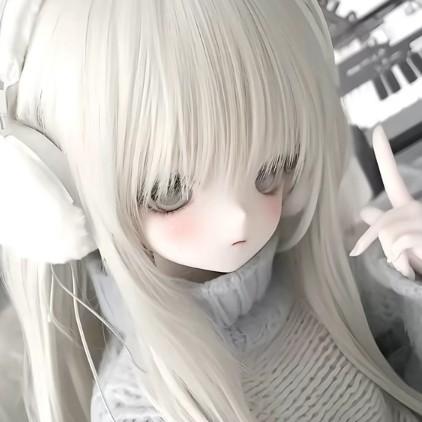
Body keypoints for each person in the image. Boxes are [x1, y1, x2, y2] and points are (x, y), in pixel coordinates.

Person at [0, 0, 422, 421]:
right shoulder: (138, 404)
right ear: (63, 196)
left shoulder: (338, 284)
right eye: (171, 191)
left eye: (270, 170)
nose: (239, 217)